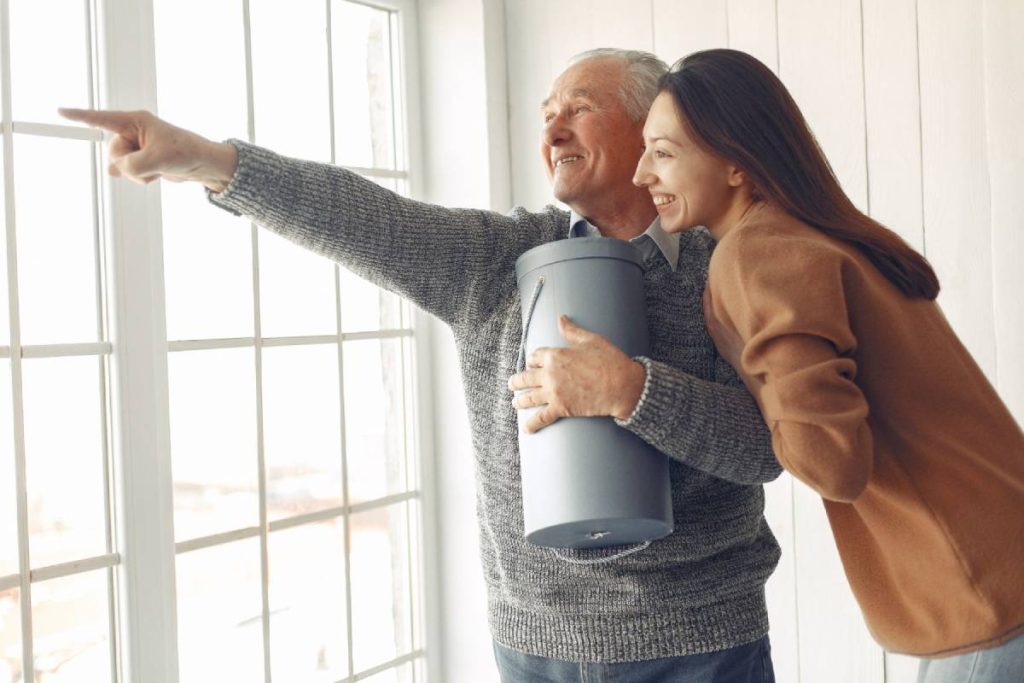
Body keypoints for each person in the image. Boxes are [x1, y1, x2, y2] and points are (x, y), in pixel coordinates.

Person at [61, 48, 783, 682]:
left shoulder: (730, 268)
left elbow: (765, 447)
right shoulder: (495, 263)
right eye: (546, 114)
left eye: (581, 108)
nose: (552, 129)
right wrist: (208, 162)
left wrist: (632, 391)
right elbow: (363, 217)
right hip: (537, 648)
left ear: (650, 130)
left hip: (704, 643)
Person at [514, 47, 1024, 682]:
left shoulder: (755, 255)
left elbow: (829, 461)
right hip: (998, 565)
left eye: (665, 153)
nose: (644, 173)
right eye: (645, 150)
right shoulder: (810, 231)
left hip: (977, 595)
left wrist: (645, 390)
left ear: (734, 163)